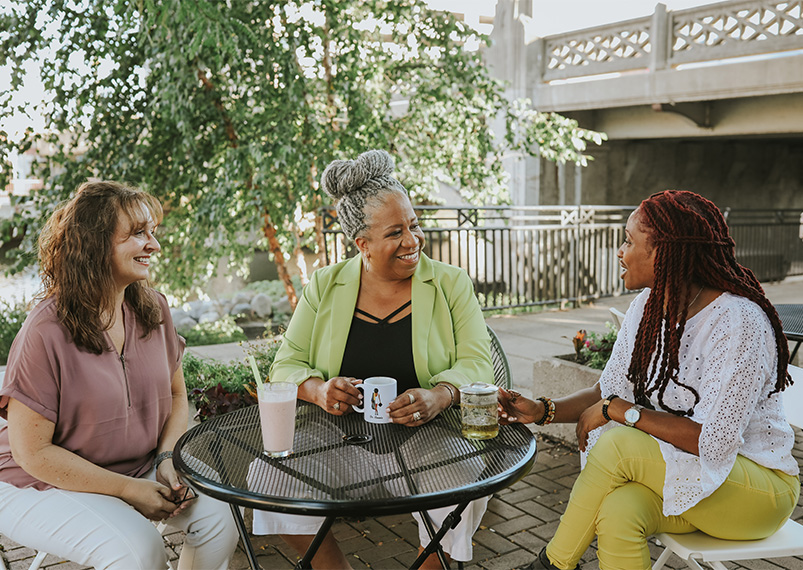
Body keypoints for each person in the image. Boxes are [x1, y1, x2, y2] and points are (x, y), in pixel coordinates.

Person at [498, 190, 800, 570]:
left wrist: (621, 412)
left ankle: (550, 566)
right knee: (618, 510)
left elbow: (710, 441)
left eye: (628, 241)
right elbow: (608, 393)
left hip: (756, 491)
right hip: (695, 477)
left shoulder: (738, 322)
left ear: (664, 252)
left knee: (619, 442)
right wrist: (542, 409)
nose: (620, 252)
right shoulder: (648, 305)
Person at [253, 149, 494, 569]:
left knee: (464, 484)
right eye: (395, 232)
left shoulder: (450, 284)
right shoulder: (325, 285)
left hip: (430, 437)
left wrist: (439, 396)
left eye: (414, 226)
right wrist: (319, 390)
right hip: (340, 438)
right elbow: (286, 365)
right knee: (267, 476)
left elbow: (478, 362)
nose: (412, 241)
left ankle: (427, 564)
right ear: (362, 243)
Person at [0, 181, 239, 570]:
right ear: (94, 245)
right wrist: (128, 489)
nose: (154, 245)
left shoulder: (154, 308)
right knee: (139, 551)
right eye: (138, 234)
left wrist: (166, 458)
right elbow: (33, 453)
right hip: (40, 483)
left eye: (153, 233)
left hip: (140, 466)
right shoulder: (45, 330)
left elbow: (178, 398)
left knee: (220, 514)